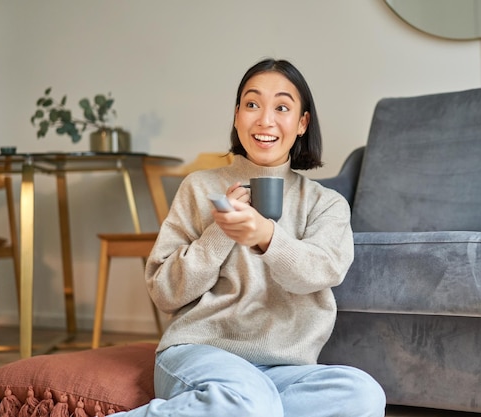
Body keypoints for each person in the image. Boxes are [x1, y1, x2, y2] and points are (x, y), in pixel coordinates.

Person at [116, 58, 386, 417]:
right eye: (252, 104)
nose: (265, 120)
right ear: (237, 115)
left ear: (302, 123)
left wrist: (267, 236)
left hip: (286, 371)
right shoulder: (199, 187)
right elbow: (165, 292)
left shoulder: (326, 204)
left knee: (363, 395)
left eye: (282, 107)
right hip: (201, 352)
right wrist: (219, 234)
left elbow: (320, 273)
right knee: (252, 402)